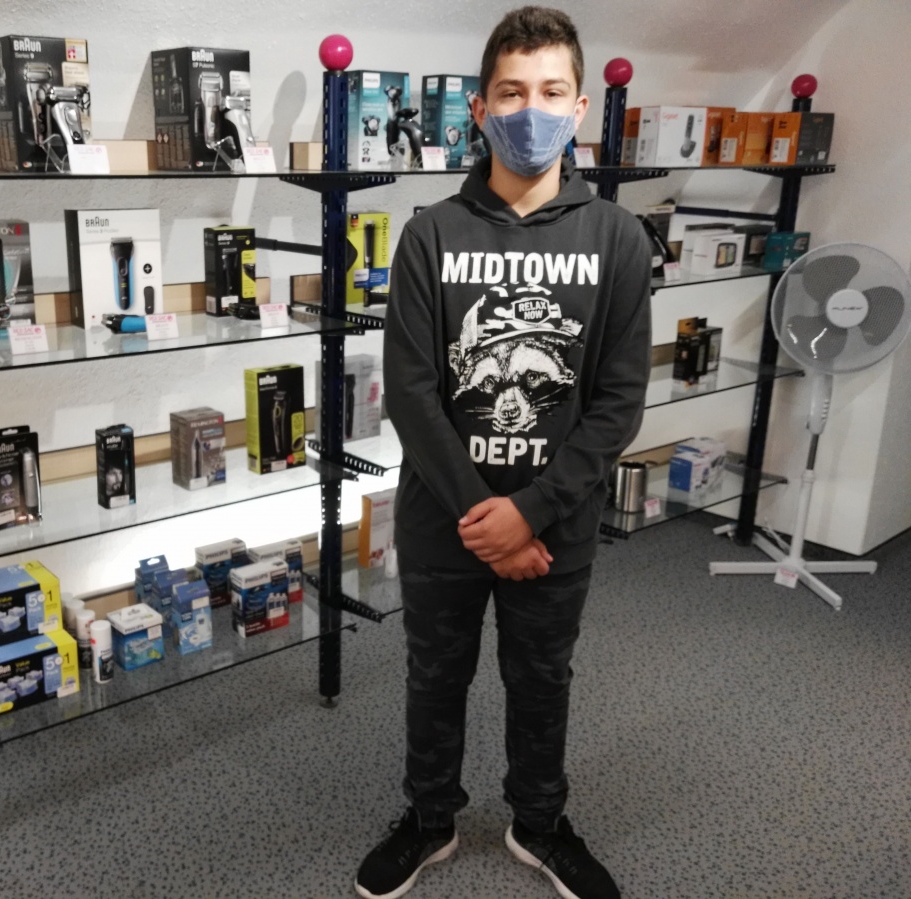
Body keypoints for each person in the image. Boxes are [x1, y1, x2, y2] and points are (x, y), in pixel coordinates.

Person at [354, 7, 652, 899]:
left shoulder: (617, 239)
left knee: (542, 677)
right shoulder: (430, 235)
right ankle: (429, 818)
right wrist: (486, 518)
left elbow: (617, 401)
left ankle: (540, 824)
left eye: (552, 92)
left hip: (556, 526)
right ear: (480, 109)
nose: (533, 111)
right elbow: (411, 393)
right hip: (446, 519)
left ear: (580, 107)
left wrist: (531, 513)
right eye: (512, 93)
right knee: (435, 674)